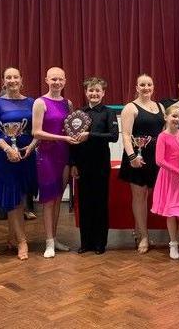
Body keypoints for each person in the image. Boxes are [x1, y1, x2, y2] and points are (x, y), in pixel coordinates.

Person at [0, 67, 38, 260]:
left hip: (26, 154)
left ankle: (12, 237)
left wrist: (32, 146)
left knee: (22, 196)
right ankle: (22, 241)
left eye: (16, 77)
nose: (12, 80)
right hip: (6, 156)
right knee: (13, 196)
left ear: (21, 80)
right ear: (3, 81)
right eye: (8, 77)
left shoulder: (32, 102)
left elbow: (37, 129)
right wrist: (8, 150)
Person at [32, 67, 79, 258]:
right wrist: (63, 139)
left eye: (60, 79)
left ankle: (55, 239)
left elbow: (72, 128)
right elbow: (36, 132)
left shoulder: (68, 103)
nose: (57, 82)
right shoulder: (40, 102)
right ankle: (48, 242)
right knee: (49, 200)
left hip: (64, 155)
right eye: (53, 79)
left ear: (65, 81)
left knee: (59, 198)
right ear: (46, 80)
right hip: (47, 156)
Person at [70, 77, 119, 255]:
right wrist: (73, 164)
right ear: (86, 92)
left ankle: (100, 243)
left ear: (103, 93)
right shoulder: (78, 113)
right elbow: (73, 141)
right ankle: (86, 242)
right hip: (82, 165)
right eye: (91, 90)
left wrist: (90, 135)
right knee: (84, 204)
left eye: (97, 90)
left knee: (100, 203)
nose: (94, 93)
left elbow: (114, 136)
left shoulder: (108, 112)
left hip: (100, 164)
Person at [119, 74, 165, 254]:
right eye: (142, 85)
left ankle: (139, 231)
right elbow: (126, 135)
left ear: (153, 87)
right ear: (136, 87)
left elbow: (163, 132)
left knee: (148, 195)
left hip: (156, 157)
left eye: (149, 85)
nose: (146, 88)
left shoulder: (160, 106)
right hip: (137, 157)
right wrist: (132, 157)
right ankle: (143, 236)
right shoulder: (130, 108)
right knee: (139, 196)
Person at [152, 105, 179, 259]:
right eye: (174, 116)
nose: (177, 119)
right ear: (166, 117)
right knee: (171, 214)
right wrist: (177, 171)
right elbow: (159, 160)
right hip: (169, 179)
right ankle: (173, 243)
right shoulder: (162, 136)